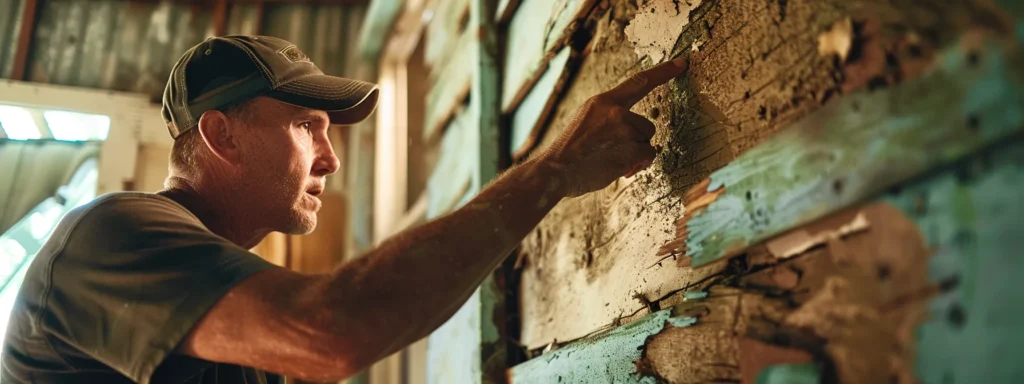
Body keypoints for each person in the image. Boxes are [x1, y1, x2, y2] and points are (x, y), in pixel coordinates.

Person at [0, 35, 687, 383]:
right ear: (221, 134)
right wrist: (555, 170)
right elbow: (330, 330)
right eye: (305, 127)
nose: (329, 159)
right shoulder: (112, 233)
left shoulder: (228, 314)